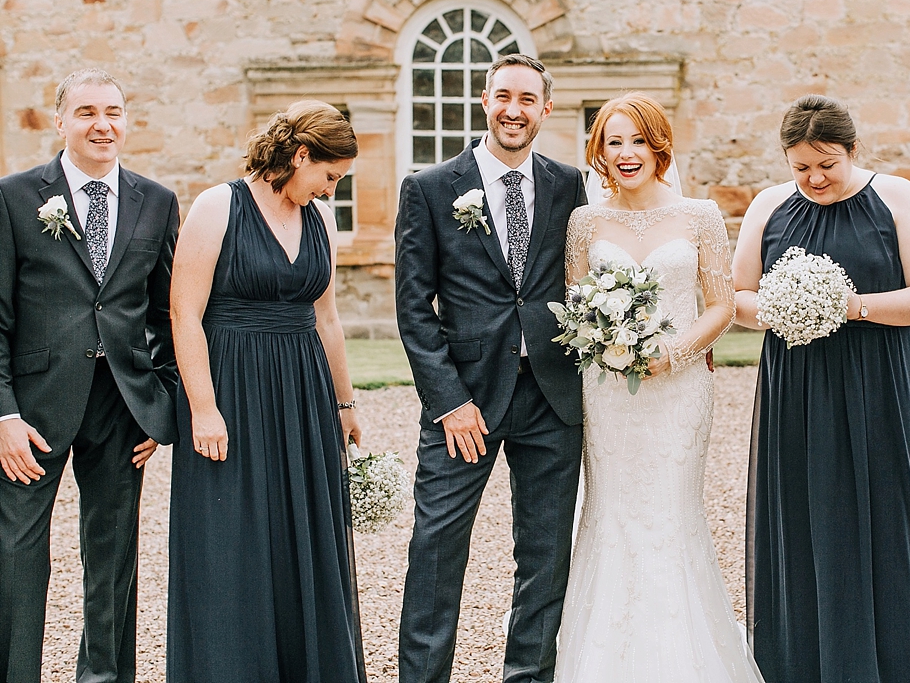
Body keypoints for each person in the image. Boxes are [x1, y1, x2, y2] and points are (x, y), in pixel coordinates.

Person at [731, 95, 910, 683]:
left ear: (854, 151)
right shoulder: (768, 206)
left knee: (886, 519)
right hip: (797, 388)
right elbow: (738, 298)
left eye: (827, 164)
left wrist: (848, 305)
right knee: (806, 519)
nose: (813, 178)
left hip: (878, 382)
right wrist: (785, 307)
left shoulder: (897, 196)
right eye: (800, 166)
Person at [555, 93, 762, 682]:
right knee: (611, 511)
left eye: (637, 141)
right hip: (608, 391)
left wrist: (673, 352)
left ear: (659, 147)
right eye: (613, 142)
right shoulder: (585, 222)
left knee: (670, 513)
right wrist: (605, 341)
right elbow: (575, 306)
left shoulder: (699, 216)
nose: (626, 153)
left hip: (679, 391)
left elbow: (721, 306)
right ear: (599, 151)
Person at [395, 54, 586, 683]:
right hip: (464, 402)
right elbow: (414, 307)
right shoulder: (429, 188)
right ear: (484, 100)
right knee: (437, 550)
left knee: (544, 557)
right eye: (503, 96)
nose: (514, 110)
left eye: (527, 99)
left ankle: (527, 676)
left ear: (545, 110)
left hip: (552, 399)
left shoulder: (567, 185)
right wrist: (448, 399)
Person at [166, 100, 365, 682]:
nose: (330, 191)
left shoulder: (319, 219)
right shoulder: (217, 206)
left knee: (304, 533)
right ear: (300, 156)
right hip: (230, 385)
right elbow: (184, 313)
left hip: (304, 391)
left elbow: (326, 318)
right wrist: (203, 408)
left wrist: (346, 403)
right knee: (233, 538)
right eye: (328, 177)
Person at [0, 68, 179, 683]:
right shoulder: (15, 197)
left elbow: (167, 314)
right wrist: (4, 415)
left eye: (114, 112)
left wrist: (163, 405)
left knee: (112, 558)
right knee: (18, 554)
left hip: (122, 404)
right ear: (60, 122)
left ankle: (103, 677)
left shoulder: (156, 201)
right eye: (86, 113)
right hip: (33, 406)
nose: (103, 125)